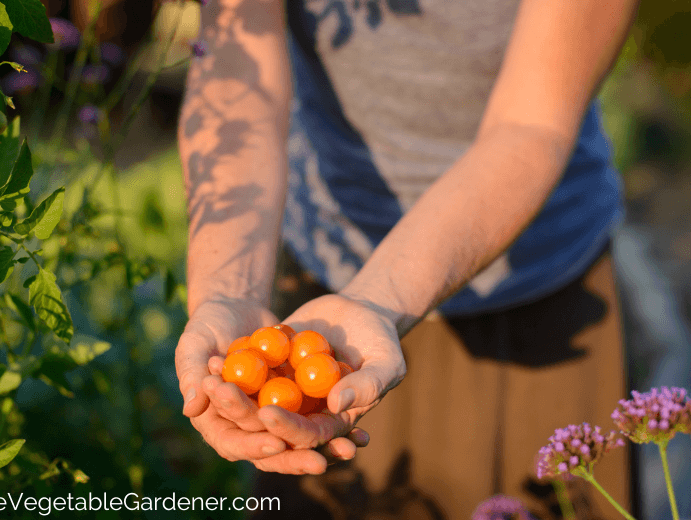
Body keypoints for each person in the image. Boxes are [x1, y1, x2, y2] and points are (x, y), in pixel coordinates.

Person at [174, 0, 640, 518]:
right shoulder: (298, 345)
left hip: (537, 291)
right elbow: (238, 66)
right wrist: (230, 291)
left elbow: (531, 124)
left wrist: (377, 299)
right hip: (327, 284)